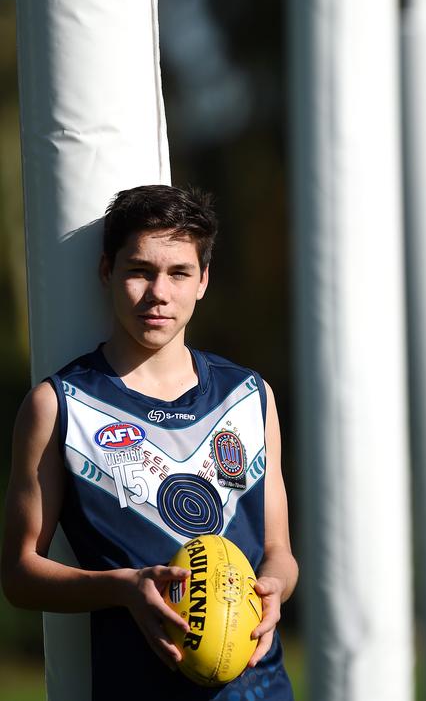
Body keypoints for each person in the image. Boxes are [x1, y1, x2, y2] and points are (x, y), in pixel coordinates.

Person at [1, 184, 298, 701]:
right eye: (140, 270)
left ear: (203, 281)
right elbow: (19, 573)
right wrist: (123, 588)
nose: (159, 292)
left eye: (179, 273)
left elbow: (279, 552)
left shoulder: (249, 395)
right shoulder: (59, 405)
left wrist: (275, 589)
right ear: (106, 273)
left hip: (259, 687)